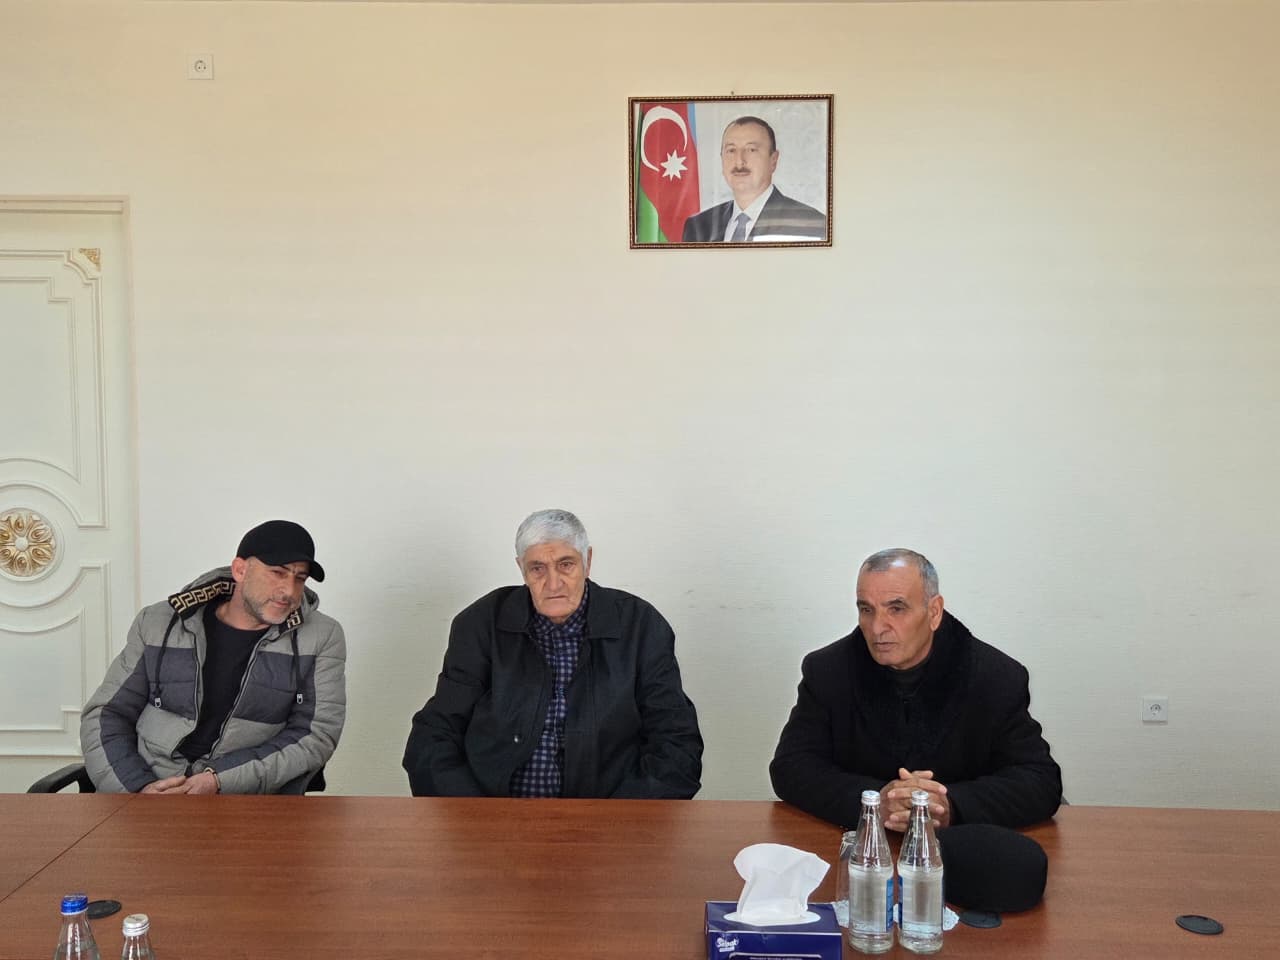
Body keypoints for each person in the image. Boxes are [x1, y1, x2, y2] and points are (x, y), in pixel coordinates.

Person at [403, 509, 703, 798]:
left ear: (587, 561)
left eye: (566, 564)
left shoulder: (641, 626)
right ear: (521, 568)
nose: (553, 583)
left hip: (610, 816)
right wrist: (473, 815)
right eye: (537, 568)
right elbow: (434, 736)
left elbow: (676, 743)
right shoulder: (480, 624)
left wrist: (619, 820)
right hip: (493, 813)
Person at [770, 548, 1061, 831]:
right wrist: (875, 802)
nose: (877, 627)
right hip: (858, 847)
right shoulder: (827, 671)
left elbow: (1039, 780)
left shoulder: (996, 677)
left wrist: (950, 806)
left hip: (960, 850)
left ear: (934, 612)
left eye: (896, 609)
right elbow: (791, 767)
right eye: (866, 610)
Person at [81, 520, 346, 794]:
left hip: (243, 798)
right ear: (240, 570)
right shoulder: (159, 623)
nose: (289, 590)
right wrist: (139, 789)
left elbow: (316, 734)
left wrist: (218, 780)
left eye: (299, 578)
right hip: (148, 788)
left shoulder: (321, 636)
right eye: (277, 573)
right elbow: (106, 715)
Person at [681, 115, 828, 243]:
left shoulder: (811, 224)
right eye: (731, 150)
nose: (739, 162)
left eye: (751, 150)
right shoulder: (698, 226)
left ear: (773, 160)